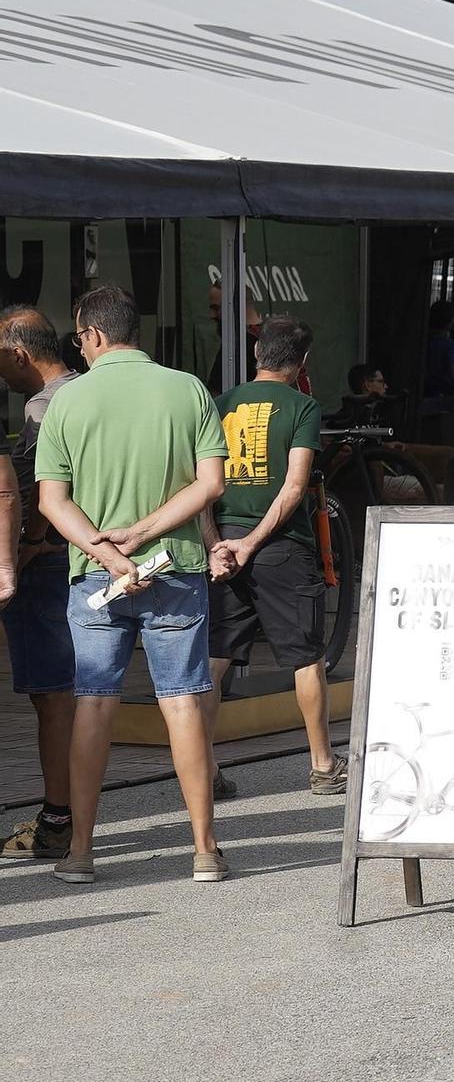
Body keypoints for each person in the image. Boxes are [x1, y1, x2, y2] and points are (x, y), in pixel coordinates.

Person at [37, 287, 229, 884]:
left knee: (94, 702)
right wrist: (146, 534)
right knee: (183, 700)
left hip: (94, 576)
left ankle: (81, 853)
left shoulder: (68, 401)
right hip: (175, 567)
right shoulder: (188, 388)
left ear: (91, 335)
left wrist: (104, 550)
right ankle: (204, 850)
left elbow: (52, 500)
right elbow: (211, 484)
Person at [201, 316, 345, 797]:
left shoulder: (219, 404)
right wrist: (255, 541)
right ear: (301, 362)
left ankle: (204, 766)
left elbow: (199, 486)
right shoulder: (303, 407)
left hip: (224, 544)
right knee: (306, 656)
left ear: (258, 355)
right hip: (281, 547)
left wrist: (217, 544)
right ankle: (323, 765)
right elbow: (295, 486)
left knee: (216, 656)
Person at [0, 306, 78, 858]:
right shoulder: (90, 389)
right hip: (82, 555)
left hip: (46, 559)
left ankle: (58, 819)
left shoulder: (44, 407)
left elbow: (35, 490)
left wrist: (25, 545)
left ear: (20, 353)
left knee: (52, 696)